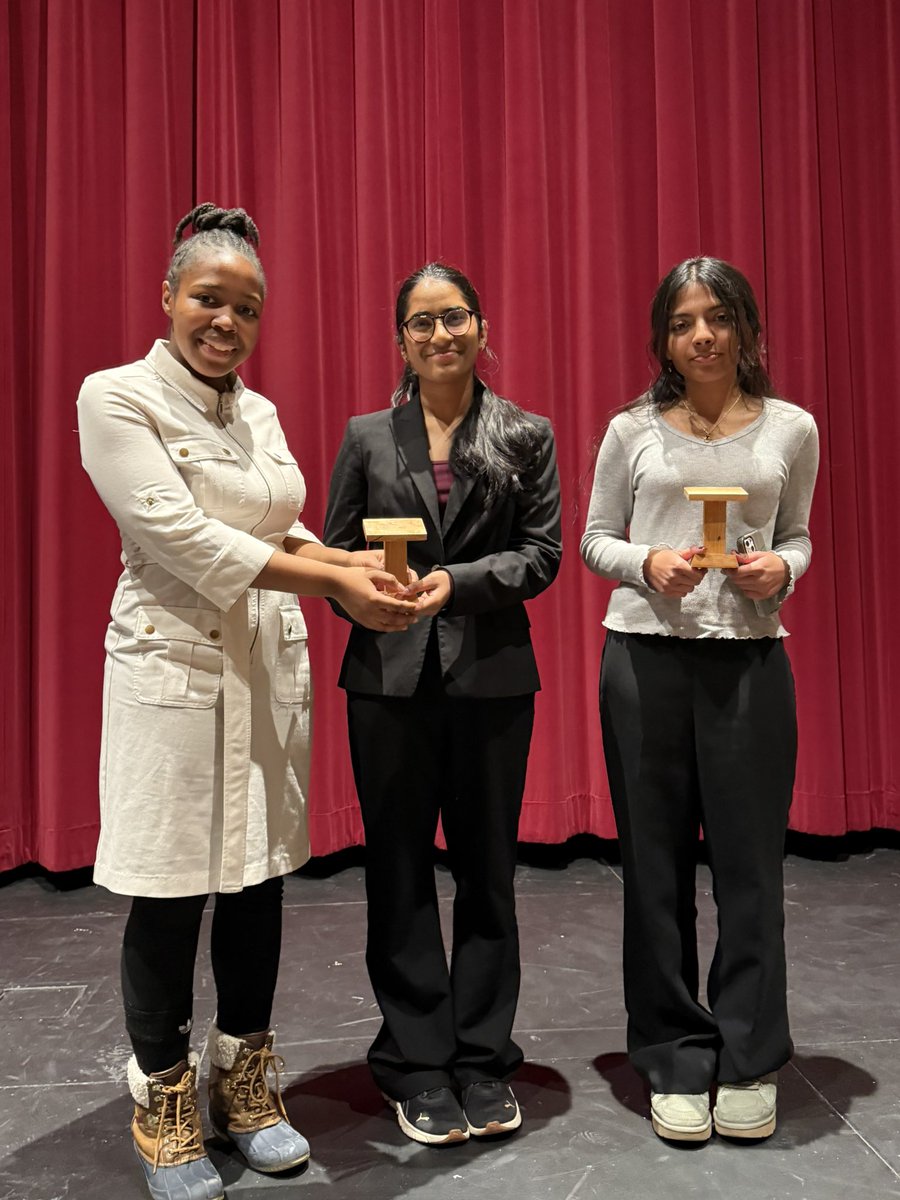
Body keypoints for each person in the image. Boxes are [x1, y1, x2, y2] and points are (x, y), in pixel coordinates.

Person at [77, 203, 417, 1200]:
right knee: (173, 886)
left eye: (246, 308)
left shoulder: (257, 412)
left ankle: (247, 1083)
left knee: (259, 878)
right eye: (208, 300)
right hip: (171, 667)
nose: (225, 322)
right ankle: (165, 1100)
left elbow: (279, 518)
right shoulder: (118, 397)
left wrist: (345, 561)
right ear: (169, 298)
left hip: (265, 665)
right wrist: (331, 583)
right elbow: (181, 535)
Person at [580, 256, 818, 1143]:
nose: (702, 335)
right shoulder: (630, 430)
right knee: (654, 867)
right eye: (683, 322)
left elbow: (796, 536)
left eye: (717, 318)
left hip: (751, 664)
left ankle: (749, 1055)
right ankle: (675, 1055)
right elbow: (596, 537)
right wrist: (646, 563)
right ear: (665, 340)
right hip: (644, 663)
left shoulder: (792, 428)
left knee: (753, 868)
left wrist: (780, 570)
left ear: (746, 328)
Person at [323, 262, 562, 1145]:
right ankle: (416, 1063)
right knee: (398, 873)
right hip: (385, 683)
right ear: (401, 342)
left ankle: (481, 1057)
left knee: (489, 874)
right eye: (420, 324)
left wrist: (450, 584)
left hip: (492, 683)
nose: (439, 336)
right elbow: (334, 556)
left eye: (453, 318)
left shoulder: (525, 433)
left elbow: (542, 555)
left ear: (481, 327)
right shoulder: (365, 437)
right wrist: (366, 594)